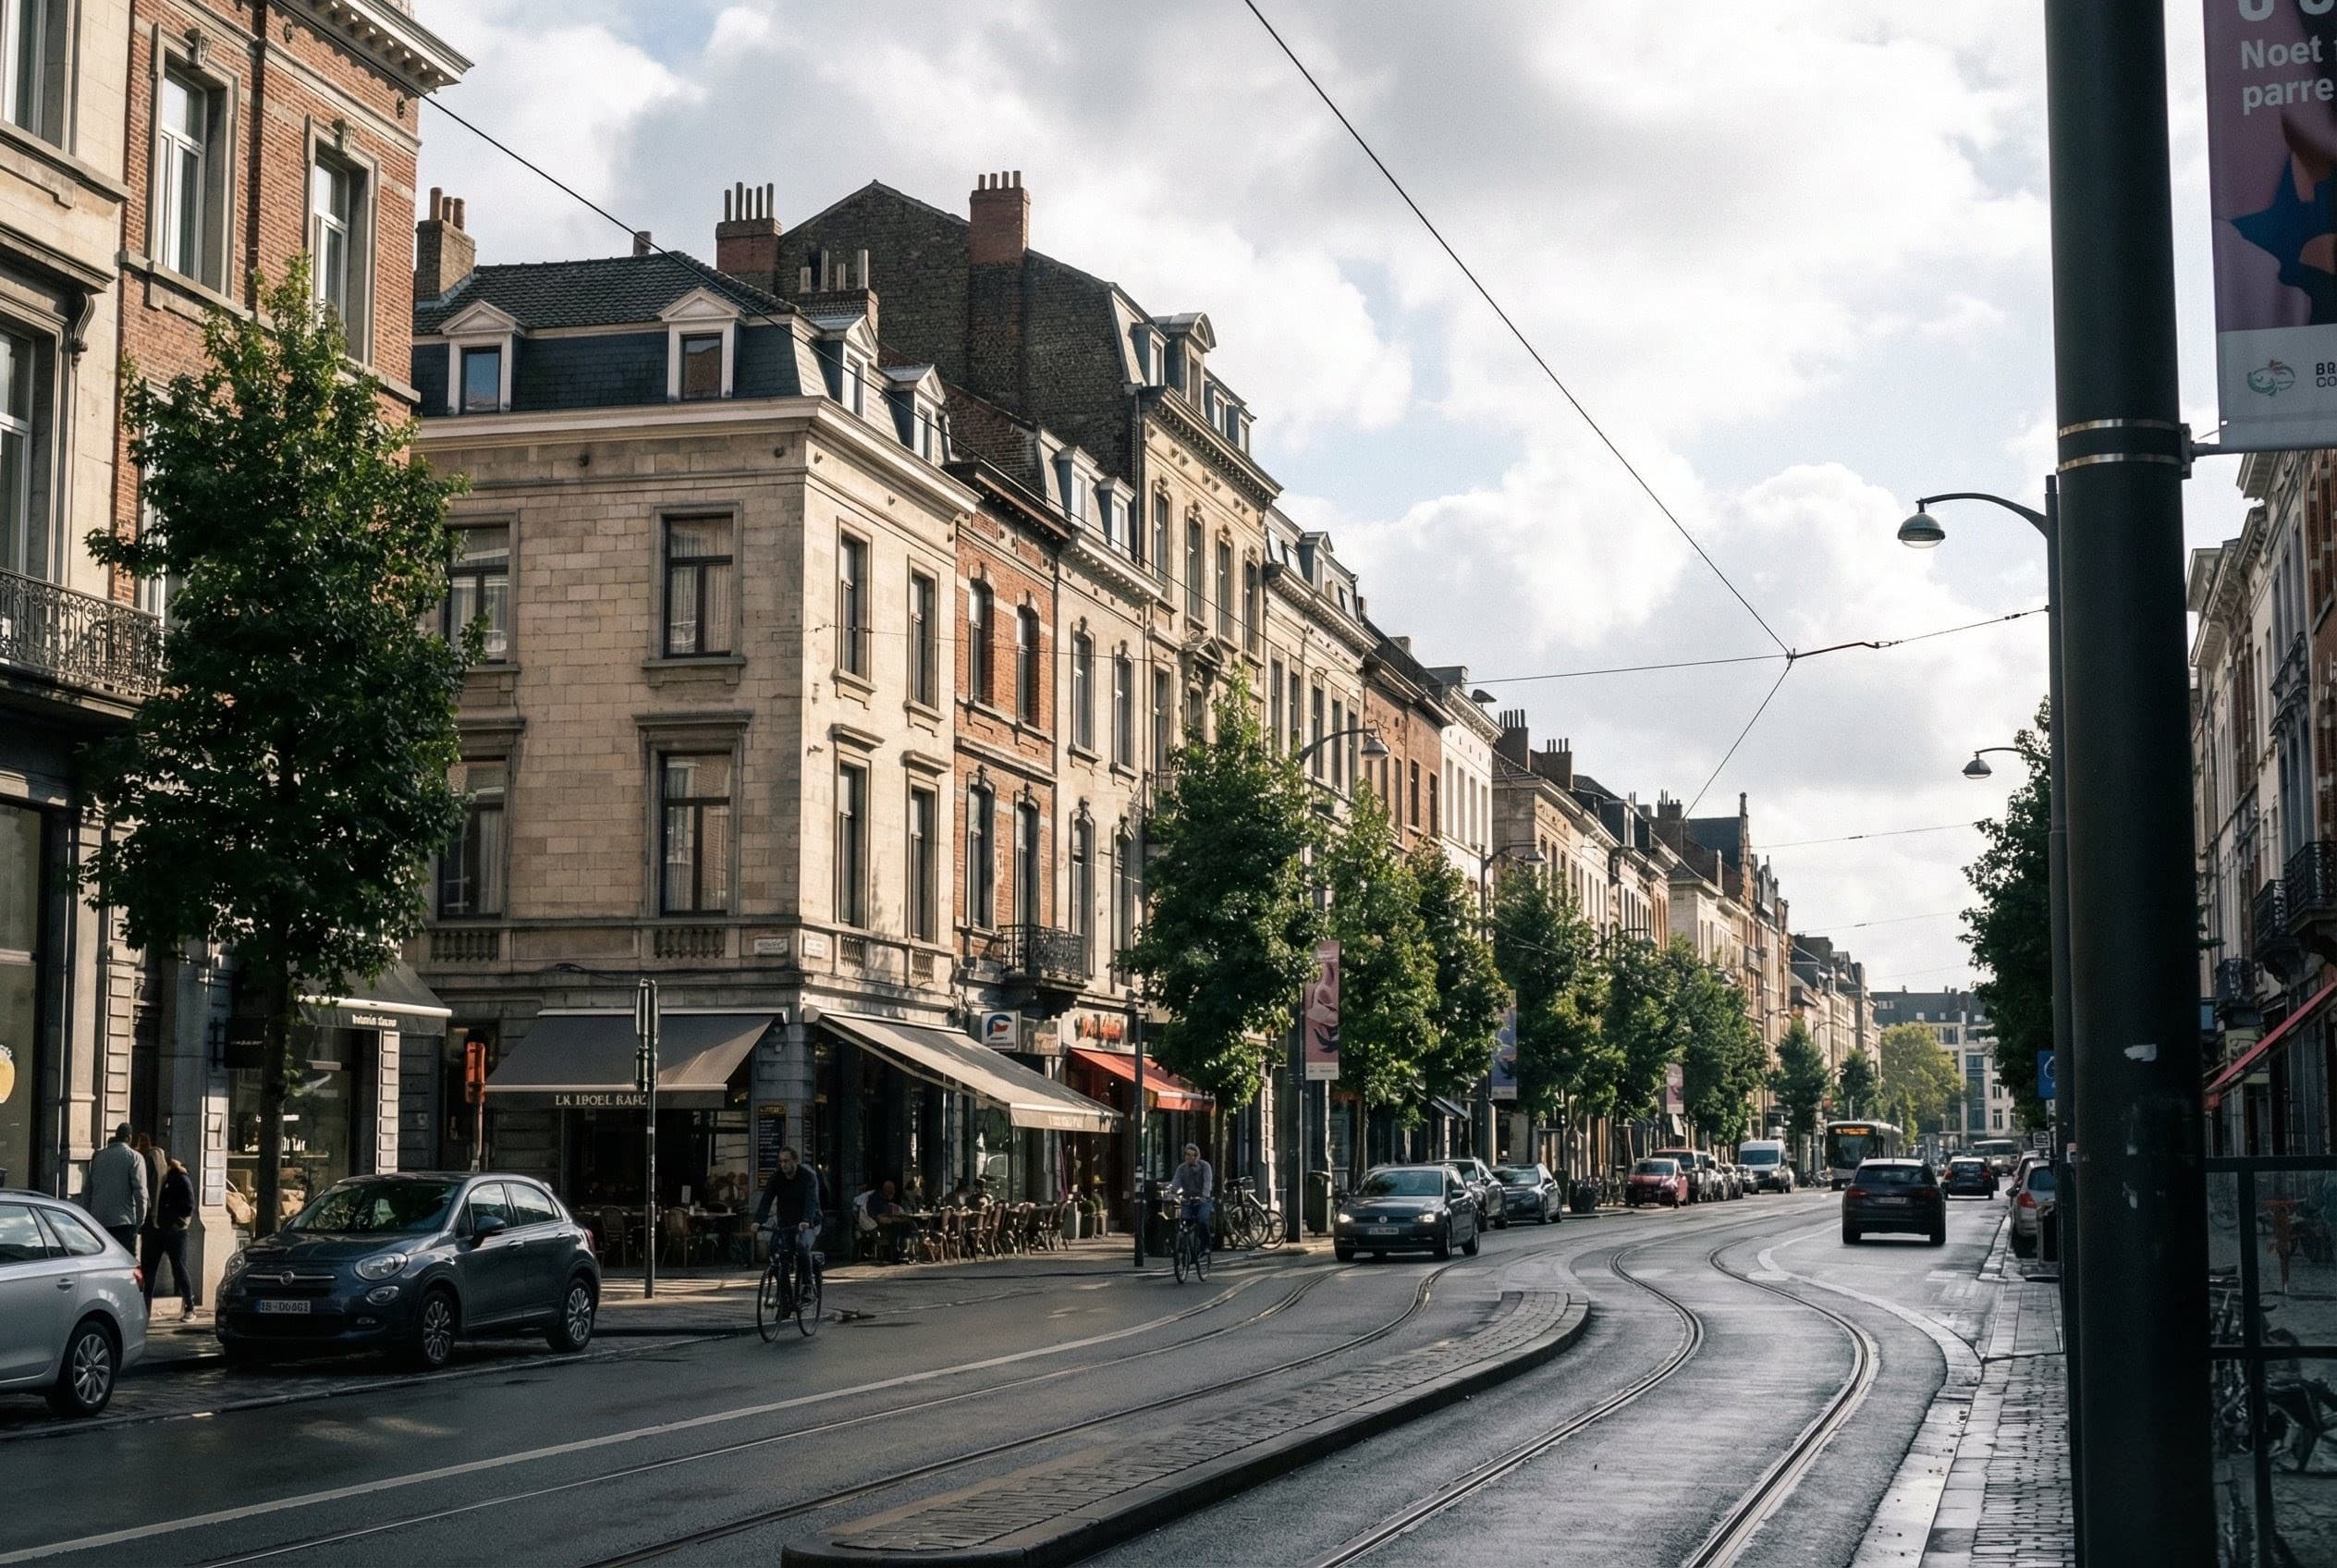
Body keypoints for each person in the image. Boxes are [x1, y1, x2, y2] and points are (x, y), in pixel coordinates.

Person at [755, 1145, 824, 1289]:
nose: (783, 1165)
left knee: (802, 1246)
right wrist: (758, 1220)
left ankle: (807, 1286)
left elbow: (811, 1201)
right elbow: (767, 1199)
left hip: (809, 1222)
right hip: (786, 1223)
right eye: (781, 1162)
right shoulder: (777, 1177)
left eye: (786, 1161)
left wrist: (806, 1220)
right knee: (780, 1253)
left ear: (795, 1161)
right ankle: (785, 1298)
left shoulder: (808, 1176)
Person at [145, 1155, 197, 1319]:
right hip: (160, 1229)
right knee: (152, 1270)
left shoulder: (179, 1178)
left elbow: (189, 1204)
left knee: (178, 1268)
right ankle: (145, 1308)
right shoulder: (162, 1180)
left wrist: (179, 1223)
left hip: (174, 1231)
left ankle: (189, 1306)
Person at [84, 1123, 147, 1255]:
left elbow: (87, 1190)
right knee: (126, 1264)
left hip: (99, 1220)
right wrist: (140, 1221)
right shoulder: (134, 1157)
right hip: (124, 1221)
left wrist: (89, 1216)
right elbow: (140, 1192)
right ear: (129, 1138)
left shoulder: (99, 1157)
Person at [1163, 1142, 1214, 1255]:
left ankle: (1206, 1245)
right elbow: (1175, 1183)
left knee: (1202, 1221)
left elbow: (1207, 1183)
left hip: (1203, 1200)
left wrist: (1204, 1196)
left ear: (1197, 1156)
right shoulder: (1181, 1168)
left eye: (1193, 1155)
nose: (1190, 1158)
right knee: (1184, 1221)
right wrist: (1171, 1193)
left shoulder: (1205, 1166)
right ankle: (1186, 1249)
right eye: (1188, 1155)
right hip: (1188, 1199)